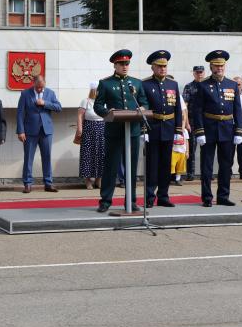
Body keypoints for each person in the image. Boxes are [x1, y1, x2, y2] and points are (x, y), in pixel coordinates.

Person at [94, 49, 148, 213]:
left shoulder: (136, 83)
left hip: (132, 131)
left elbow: (143, 101)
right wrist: (107, 113)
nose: (125, 67)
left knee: (131, 168)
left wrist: (143, 109)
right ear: (115, 65)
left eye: (127, 64)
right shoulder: (105, 83)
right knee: (111, 167)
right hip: (114, 131)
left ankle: (131, 201)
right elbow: (98, 105)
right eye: (121, 64)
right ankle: (105, 200)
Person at [191, 50, 242, 207]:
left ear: (224, 66)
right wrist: (199, 131)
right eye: (216, 65)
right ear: (211, 66)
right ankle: (207, 197)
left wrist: (238, 130)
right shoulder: (203, 85)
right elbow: (197, 110)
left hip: (227, 129)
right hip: (209, 129)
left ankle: (223, 196)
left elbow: (237, 109)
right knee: (206, 166)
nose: (219, 68)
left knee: (226, 165)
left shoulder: (232, 85)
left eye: (221, 65)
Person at [142, 50, 183, 208]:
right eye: (159, 66)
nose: (162, 69)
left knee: (166, 165)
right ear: (153, 67)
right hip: (152, 128)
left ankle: (164, 196)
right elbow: (143, 108)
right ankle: (149, 196)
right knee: (152, 165)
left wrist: (178, 130)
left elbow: (177, 108)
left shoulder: (173, 84)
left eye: (164, 66)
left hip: (169, 128)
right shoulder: (145, 84)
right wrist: (143, 130)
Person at [16, 75, 62, 193]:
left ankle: (48, 183)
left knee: (47, 157)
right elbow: (20, 113)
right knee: (28, 158)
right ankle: (27, 183)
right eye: (38, 87)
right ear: (34, 83)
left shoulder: (50, 93)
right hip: (30, 131)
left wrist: (45, 103)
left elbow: (58, 107)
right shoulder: (25, 94)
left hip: (46, 131)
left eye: (42, 87)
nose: (41, 89)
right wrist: (20, 131)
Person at [76, 81, 105, 190]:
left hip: (102, 129)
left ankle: (99, 179)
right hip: (89, 129)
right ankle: (88, 181)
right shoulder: (86, 101)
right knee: (88, 155)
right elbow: (80, 115)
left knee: (101, 154)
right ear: (94, 90)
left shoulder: (103, 102)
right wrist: (80, 129)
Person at [182, 65, 206, 180]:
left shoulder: (208, 85)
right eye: (197, 72)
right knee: (191, 149)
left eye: (201, 72)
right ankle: (190, 173)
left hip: (206, 122)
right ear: (194, 73)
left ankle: (206, 173)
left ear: (204, 73)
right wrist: (186, 122)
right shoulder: (189, 87)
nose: (199, 74)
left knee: (206, 149)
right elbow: (184, 106)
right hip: (192, 121)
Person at [171, 107, 189, 186]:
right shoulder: (172, 130)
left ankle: (177, 179)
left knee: (180, 166)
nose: (181, 123)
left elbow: (187, 141)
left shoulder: (184, 131)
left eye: (183, 121)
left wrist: (187, 151)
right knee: (171, 165)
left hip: (182, 151)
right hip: (174, 150)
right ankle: (169, 178)